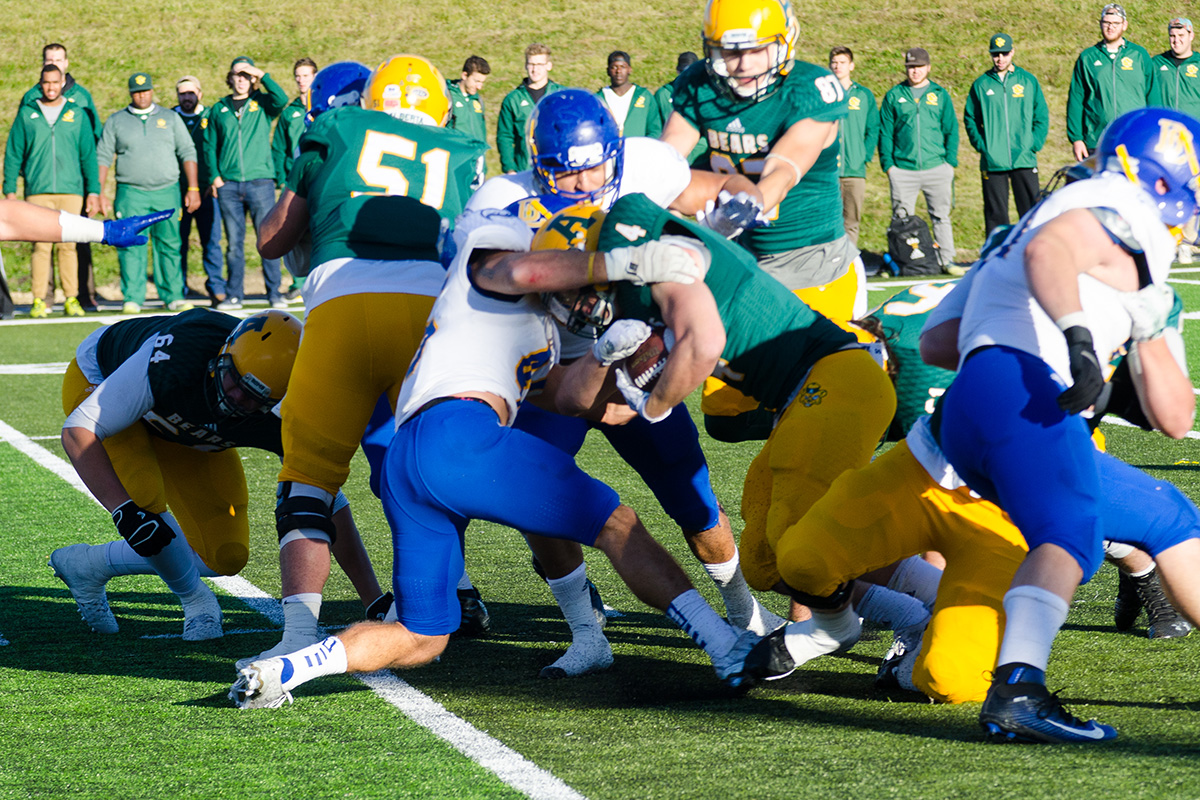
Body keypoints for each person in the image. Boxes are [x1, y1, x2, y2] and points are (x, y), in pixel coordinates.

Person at [229, 208, 755, 709]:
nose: (583, 302)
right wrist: (625, 265)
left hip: (406, 463)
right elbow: (525, 268)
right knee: (617, 525)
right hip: (458, 437)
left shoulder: (540, 332)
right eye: (575, 287)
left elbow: (568, 401)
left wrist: (604, 358)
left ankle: (291, 669)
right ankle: (723, 645)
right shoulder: (486, 274)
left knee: (422, 635)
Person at [467, 92, 784, 677]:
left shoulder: (642, 166)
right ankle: (587, 634)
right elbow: (489, 283)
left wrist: (741, 200)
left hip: (634, 359)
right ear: (536, 163)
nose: (584, 181)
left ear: (615, 154)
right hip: (554, 366)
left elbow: (716, 185)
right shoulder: (504, 200)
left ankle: (743, 609)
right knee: (538, 501)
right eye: (565, 170)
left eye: (593, 165)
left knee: (691, 496)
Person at [937, 108, 1200, 743]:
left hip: (973, 407)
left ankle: (1018, 688)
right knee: (1069, 534)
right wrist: (1080, 341)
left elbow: (940, 340)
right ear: (1164, 181)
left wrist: (1145, 326)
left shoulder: (1066, 234)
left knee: (1166, 514)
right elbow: (1053, 250)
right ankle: (1019, 691)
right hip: (1021, 392)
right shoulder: (1120, 203)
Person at [238, 55, 488, 671]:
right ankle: (458, 597)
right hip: (429, 318)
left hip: (343, 309)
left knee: (308, 480)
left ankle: (299, 630)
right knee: (431, 466)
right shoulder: (460, 147)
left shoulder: (339, 130)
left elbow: (271, 240)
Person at [50, 308, 390, 640]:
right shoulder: (178, 356)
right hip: (100, 379)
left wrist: (372, 598)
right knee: (143, 501)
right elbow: (79, 431)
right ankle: (195, 600)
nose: (234, 396)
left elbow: (324, 500)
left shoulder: (287, 415)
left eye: (252, 396)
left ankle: (90, 564)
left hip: (177, 423)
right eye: (233, 378)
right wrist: (122, 510)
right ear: (223, 353)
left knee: (225, 554)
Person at [661, 0, 870, 444]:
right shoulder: (698, 85)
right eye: (730, 52)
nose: (742, 65)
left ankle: (884, 367)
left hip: (811, 264)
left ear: (784, 41)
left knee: (819, 410)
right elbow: (665, 160)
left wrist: (745, 204)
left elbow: (784, 168)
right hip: (742, 265)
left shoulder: (811, 87)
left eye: (756, 50)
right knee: (725, 420)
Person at [96, 72, 199, 315]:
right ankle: (132, 297)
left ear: (153, 91)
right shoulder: (116, 120)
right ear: (130, 93)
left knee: (170, 243)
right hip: (131, 192)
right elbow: (102, 156)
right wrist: (98, 192)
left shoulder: (170, 117)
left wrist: (193, 187)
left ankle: (172, 294)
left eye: (146, 90)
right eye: (136, 91)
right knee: (130, 243)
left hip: (167, 190)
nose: (142, 95)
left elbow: (187, 151)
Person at [3, 64, 100, 319]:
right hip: (38, 190)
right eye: (46, 83)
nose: (51, 87)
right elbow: (13, 153)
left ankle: (71, 298)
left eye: (55, 82)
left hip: (71, 190)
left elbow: (88, 155)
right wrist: (9, 190)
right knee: (41, 246)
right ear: (40, 83)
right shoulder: (27, 113)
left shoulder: (77, 113)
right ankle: (39, 300)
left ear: (62, 83)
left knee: (69, 246)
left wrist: (93, 190)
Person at [203, 56, 289, 310]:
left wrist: (261, 74)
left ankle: (274, 292)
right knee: (233, 243)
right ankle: (234, 295)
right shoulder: (219, 108)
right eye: (236, 75)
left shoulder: (262, 103)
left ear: (252, 79)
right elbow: (209, 145)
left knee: (269, 238)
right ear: (229, 79)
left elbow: (281, 99)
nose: (241, 80)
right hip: (229, 185)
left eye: (245, 75)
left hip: (260, 182)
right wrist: (215, 177)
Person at [879, 47, 959, 271]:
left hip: (936, 167)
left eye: (919, 67)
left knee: (941, 216)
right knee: (902, 220)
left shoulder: (940, 94)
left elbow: (951, 129)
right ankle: (905, 263)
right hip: (903, 170)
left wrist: (949, 162)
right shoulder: (894, 96)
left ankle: (946, 260)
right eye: (910, 67)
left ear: (928, 68)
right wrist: (888, 165)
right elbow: (885, 133)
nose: (914, 71)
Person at [963, 34, 1048, 240]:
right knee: (995, 214)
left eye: (1004, 53)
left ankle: (1030, 250)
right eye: (995, 54)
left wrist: (1032, 143)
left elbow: (1041, 116)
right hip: (993, 160)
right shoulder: (981, 85)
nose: (1000, 58)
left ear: (1012, 52)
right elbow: (970, 118)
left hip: (1024, 158)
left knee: (1029, 211)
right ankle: (995, 255)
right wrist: (983, 146)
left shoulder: (1027, 81)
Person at [1067, 3, 1157, 162]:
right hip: (1098, 139)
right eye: (1107, 23)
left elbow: (1153, 96)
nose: (1110, 27)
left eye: (1116, 23)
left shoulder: (1139, 55)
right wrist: (1077, 139)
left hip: (1134, 138)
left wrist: (1153, 131)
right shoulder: (1088, 57)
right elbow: (1076, 99)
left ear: (1124, 25)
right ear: (1101, 24)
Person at [1152, 18, 1200, 262]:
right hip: (1166, 140)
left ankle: (1189, 242)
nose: (1176, 40)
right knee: (1167, 188)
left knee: (1196, 190)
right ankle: (1169, 239)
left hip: (1196, 139)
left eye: (1181, 35)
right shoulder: (1156, 64)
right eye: (1173, 36)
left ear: (1191, 35)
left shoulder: (1199, 64)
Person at [173, 75, 224, 303]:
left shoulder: (210, 116)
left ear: (200, 94)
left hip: (206, 190)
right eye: (182, 93)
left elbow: (220, 147)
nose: (187, 97)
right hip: (178, 191)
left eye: (191, 93)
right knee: (178, 241)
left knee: (211, 241)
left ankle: (216, 286)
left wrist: (214, 179)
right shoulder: (171, 117)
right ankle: (179, 287)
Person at [272, 57, 318, 302]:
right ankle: (297, 283)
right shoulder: (290, 113)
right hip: (295, 181)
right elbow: (279, 148)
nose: (301, 80)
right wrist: (281, 177)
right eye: (298, 76)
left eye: (306, 75)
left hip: (319, 178)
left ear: (315, 77)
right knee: (294, 229)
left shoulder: (325, 109)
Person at [829, 46, 878, 246]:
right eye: (834, 62)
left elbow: (873, 128)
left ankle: (848, 263)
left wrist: (863, 156)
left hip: (854, 170)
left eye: (842, 62)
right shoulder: (823, 94)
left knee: (851, 220)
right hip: (829, 170)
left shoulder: (863, 95)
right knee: (829, 220)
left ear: (851, 66)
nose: (837, 66)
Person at [496, 43, 562, 173]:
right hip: (525, 171)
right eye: (531, 64)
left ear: (549, 66)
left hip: (557, 169)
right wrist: (510, 168)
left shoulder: (560, 95)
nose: (534, 70)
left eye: (539, 65)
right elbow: (505, 136)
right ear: (526, 65)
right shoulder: (513, 99)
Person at [654, 52, 707, 165]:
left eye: (690, 72)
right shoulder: (663, 94)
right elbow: (657, 128)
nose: (686, 76)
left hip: (701, 155)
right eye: (683, 72)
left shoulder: (706, 94)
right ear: (677, 71)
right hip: (673, 152)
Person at [596, 51, 661, 138]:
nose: (618, 71)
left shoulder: (644, 96)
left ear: (629, 70)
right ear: (608, 71)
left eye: (623, 67)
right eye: (614, 67)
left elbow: (655, 129)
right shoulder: (599, 99)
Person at [446, 55, 490, 147]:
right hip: (456, 156)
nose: (479, 87)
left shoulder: (477, 100)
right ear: (464, 75)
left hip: (476, 157)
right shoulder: (448, 96)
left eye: (482, 82)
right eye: (476, 81)